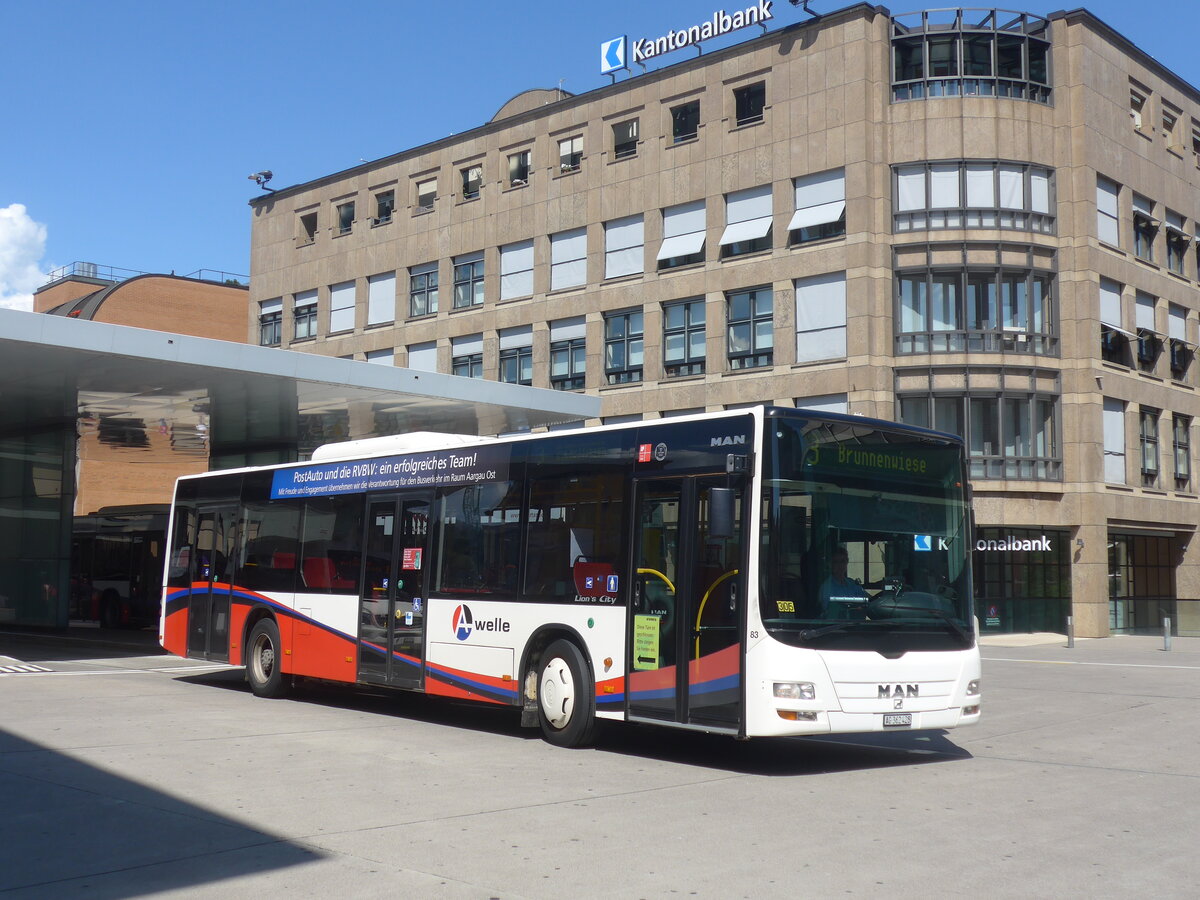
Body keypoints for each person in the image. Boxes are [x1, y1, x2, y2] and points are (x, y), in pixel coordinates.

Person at [817, 546, 867, 619]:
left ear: (847, 562)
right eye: (836, 562)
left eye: (843, 561)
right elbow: (829, 612)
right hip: (835, 625)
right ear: (830, 564)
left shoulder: (853, 584)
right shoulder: (826, 587)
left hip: (856, 624)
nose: (840, 565)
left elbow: (866, 603)